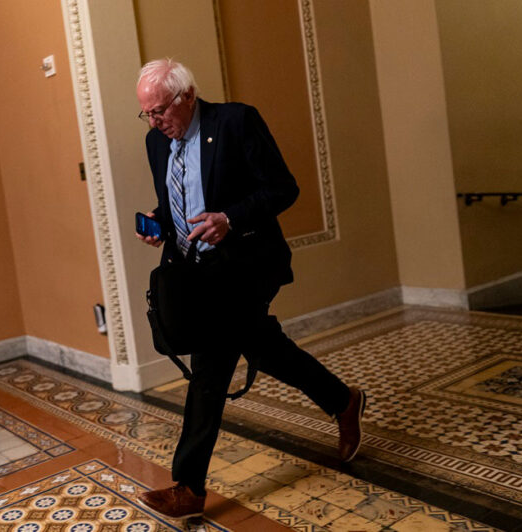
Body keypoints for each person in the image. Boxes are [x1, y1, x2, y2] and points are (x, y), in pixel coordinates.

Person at [133, 58, 366, 520]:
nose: (156, 123)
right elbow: (171, 201)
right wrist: (158, 223)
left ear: (188, 96)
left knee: (211, 366)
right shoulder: (155, 143)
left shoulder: (236, 122)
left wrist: (230, 219)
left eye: (160, 111)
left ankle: (189, 488)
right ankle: (343, 400)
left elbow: (283, 188)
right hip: (195, 271)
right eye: (147, 114)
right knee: (264, 347)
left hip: (245, 263)